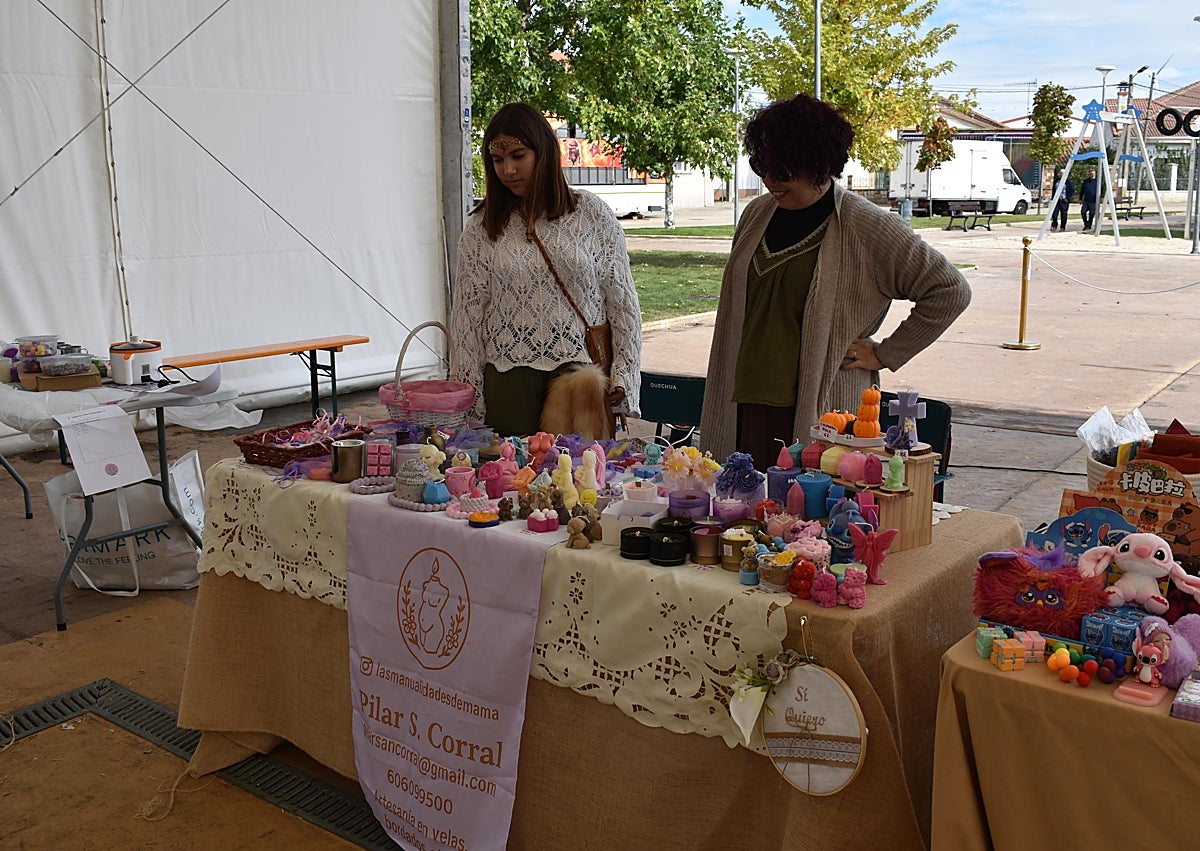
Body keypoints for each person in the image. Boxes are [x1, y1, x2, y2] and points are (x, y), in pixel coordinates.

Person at [699, 94, 971, 470]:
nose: (769, 181)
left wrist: (885, 353)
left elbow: (950, 290)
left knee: (809, 520)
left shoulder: (866, 226)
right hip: (743, 403)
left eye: (783, 170)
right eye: (763, 166)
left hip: (821, 410)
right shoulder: (757, 215)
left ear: (820, 166)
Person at [449, 103, 642, 437]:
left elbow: (623, 305)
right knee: (510, 480)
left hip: (579, 377)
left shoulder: (592, 215)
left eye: (518, 156)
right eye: (497, 160)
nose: (508, 170)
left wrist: (625, 375)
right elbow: (467, 318)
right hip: (507, 379)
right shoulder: (482, 227)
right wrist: (469, 395)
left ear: (545, 153)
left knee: (582, 481)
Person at [1050, 167, 1074, 232]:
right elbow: (1054, 189)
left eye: (1062, 174)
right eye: (1060, 174)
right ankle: (1054, 225)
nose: (1061, 175)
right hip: (1057, 200)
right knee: (1054, 214)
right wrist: (1053, 197)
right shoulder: (1056, 181)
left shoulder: (1068, 182)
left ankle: (1062, 227)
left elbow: (1072, 190)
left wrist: (1067, 198)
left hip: (1064, 200)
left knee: (1063, 214)